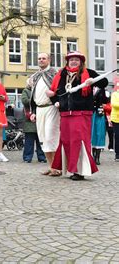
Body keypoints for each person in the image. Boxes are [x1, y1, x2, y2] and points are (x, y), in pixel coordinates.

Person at [49, 51, 108, 180]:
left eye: (76, 59)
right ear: (67, 61)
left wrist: (92, 81)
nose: (73, 61)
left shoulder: (89, 73)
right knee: (66, 141)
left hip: (81, 113)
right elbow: (54, 92)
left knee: (79, 141)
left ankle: (80, 171)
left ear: (81, 62)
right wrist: (56, 102)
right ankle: (69, 168)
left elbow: (104, 82)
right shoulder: (61, 74)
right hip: (65, 113)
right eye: (71, 59)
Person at [28, 53, 61, 176]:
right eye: (39, 58)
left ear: (49, 60)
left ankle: (57, 167)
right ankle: (50, 166)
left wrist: (56, 99)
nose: (41, 60)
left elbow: (60, 90)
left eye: (43, 58)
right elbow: (33, 95)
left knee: (51, 136)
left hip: (51, 108)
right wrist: (33, 111)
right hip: (40, 109)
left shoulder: (54, 74)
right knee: (43, 138)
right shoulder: (35, 76)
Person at [21, 85, 46, 163]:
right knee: (29, 141)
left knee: (40, 141)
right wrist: (35, 100)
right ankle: (27, 157)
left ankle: (41, 157)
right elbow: (24, 101)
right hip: (29, 120)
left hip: (40, 117)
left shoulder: (40, 89)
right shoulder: (26, 90)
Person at [91, 87, 108, 165]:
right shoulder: (88, 87)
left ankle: (97, 157)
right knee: (92, 133)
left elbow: (105, 101)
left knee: (100, 133)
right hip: (90, 113)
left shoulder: (102, 89)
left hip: (99, 114)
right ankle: (93, 155)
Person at [110, 83, 119, 161]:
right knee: (117, 136)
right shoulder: (115, 94)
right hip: (116, 118)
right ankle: (117, 154)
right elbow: (114, 104)